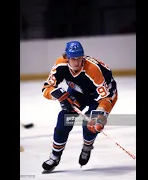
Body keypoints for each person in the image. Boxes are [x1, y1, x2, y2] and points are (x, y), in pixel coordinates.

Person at [41, 41, 118, 172]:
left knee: (90, 124)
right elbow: (46, 88)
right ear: (66, 57)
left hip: (103, 97)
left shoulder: (93, 69)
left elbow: (105, 98)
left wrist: (99, 114)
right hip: (79, 92)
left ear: (83, 56)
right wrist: (57, 95)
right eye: (73, 59)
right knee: (64, 119)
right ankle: (55, 156)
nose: (76, 62)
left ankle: (87, 147)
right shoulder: (61, 64)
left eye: (79, 58)